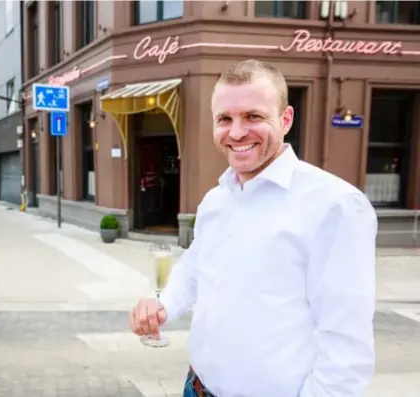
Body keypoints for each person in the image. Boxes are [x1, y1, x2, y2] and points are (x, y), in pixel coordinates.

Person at [130, 59, 377, 397]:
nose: (236, 132)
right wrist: (164, 306)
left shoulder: (335, 205)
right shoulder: (216, 200)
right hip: (196, 388)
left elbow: (346, 345)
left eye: (253, 116)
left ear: (286, 119)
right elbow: (195, 270)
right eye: (224, 119)